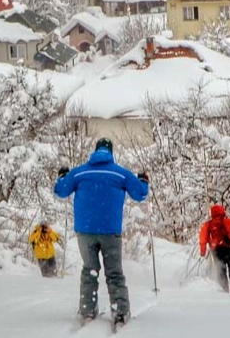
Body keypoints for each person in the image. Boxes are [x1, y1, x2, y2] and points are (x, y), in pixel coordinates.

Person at [54, 138, 149, 327]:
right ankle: (120, 313)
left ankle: (88, 311)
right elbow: (140, 194)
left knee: (90, 270)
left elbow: (61, 191)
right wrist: (143, 180)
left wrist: (63, 176)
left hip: (85, 230)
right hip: (110, 231)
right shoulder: (120, 173)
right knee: (114, 273)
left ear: (95, 151)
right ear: (111, 153)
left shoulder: (80, 172)